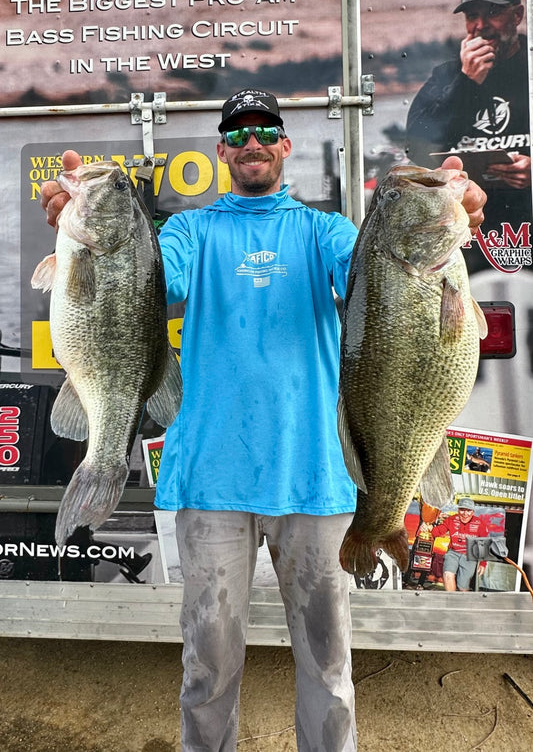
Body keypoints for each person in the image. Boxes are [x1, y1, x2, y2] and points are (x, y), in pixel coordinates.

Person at [41, 88, 487, 752]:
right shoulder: (188, 232)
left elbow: (379, 279)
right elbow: (143, 286)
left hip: (315, 476)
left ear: (284, 145)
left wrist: (463, 216)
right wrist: (77, 232)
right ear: (221, 151)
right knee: (207, 667)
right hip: (209, 478)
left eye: (265, 131)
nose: (252, 143)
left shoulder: (327, 232)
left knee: (329, 668)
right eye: (237, 134)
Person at [406, 0, 531, 267]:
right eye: (471, 16)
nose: (481, 27)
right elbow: (416, 146)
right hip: (465, 233)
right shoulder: (448, 75)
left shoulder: (530, 66)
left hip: (526, 221)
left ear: (517, 15)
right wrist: (466, 83)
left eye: (494, 13)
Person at [422, 498, 488, 592]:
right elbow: (439, 531)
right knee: (448, 575)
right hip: (453, 553)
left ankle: (463, 603)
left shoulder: (480, 524)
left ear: (473, 512)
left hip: (469, 556)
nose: (465, 514)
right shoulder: (451, 520)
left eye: (468, 510)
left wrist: (483, 563)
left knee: (463, 586)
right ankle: (451, 601)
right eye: (462, 510)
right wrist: (429, 527)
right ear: (458, 510)